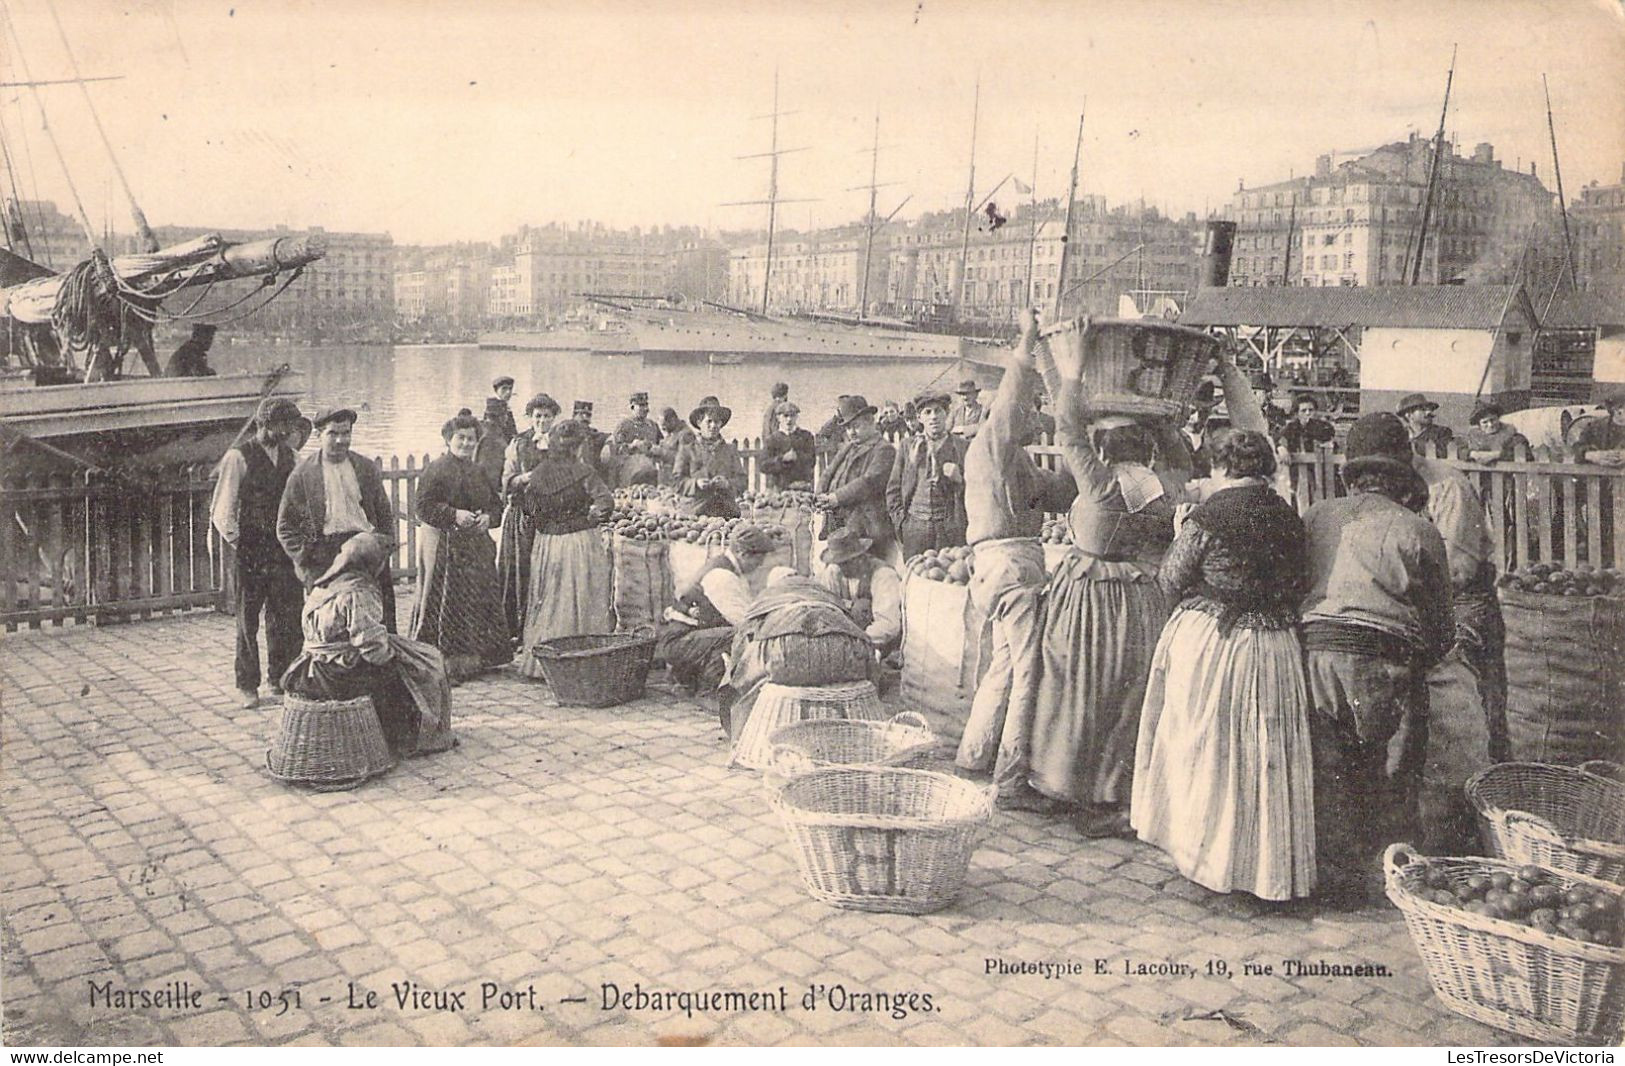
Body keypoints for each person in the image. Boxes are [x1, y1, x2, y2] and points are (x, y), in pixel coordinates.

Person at [1131, 430, 1316, 901]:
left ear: (1221, 469)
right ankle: (1263, 869)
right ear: (1266, 469)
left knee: (1208, 748)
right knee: (1263, 754)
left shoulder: (1208, 515)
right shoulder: (1288, 516)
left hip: (1216, 642)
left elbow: (1170, 579)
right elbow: (1300, 580)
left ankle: (1206, 857)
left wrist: (1178, 536)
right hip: (1273, 646)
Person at [1300, 413, 1455, 905]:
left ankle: (1330, 872)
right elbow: (1440, 624)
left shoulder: (1318, 514)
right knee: (1387, 769)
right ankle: (1385, 871)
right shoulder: (1419, 530)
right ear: (1403, 477)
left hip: (1314, 656)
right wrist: (1420, 663)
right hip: (1379, 662)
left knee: (1328, 766)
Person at [1026, 384, 1176, 836]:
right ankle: (1113, 791)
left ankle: (1068, 786)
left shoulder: (1103, 483)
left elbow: (1067, 433)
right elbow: (1179, 456)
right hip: (1138, 598)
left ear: (1105, 449)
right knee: (1122, 694)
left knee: (1073, 685)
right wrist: (1164, 418)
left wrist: (1069, 377)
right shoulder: (1161, 484)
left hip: (1090, 596)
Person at [954, 311, 1078, 810]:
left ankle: (972, 757)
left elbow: (1064, 490)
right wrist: (1028, 341)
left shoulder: (1014, 462)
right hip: (1013, 564)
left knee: (1003, 668)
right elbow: (1010, 396)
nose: (1032, 420)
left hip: (993, 567)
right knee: (1029, 673)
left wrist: (1081, 447)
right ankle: (1009, 781)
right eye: (1029, 416)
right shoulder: (993, 444)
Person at [280, 532, 454, 758]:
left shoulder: (322, 586)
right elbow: (372, 649)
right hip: (339, 672)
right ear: (372, 562)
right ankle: (406, 738)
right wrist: (400, 657)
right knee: (423, 667)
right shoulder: (359, 592)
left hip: (313, 666)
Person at [212, 397, 305, 707]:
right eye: (284, 426)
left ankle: (281, 678)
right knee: (247, 618)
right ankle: (247, 685)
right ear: (266, 425)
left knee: (286, 615)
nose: (289, 432)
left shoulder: (293, 458)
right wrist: (242, 543)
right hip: (251, 550)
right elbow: (223, 511)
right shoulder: (238, 458)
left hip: (282, 550)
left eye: (291, 426)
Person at [408, 410, 513, 682]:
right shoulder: (436, 469)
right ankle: (445, 662)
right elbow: (422, 507)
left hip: (476, 546)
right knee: (447, 601)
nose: (466, 444)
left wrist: (488, 518)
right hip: (446, 544)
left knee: (479, 597)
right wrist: (454, 514)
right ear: (448, 440)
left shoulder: (478, 470)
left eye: (471, 439)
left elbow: (495, 504)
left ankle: (480, 658)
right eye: (461, 438)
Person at [276, 406, 398, 631]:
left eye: (346, 433)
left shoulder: (365, 468)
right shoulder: (303, 474)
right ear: (319, 435)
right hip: (325, 553)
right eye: (333, 433)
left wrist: (382, 547)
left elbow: (384, 514)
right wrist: (306, 558)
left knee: (379, 620)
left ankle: (380, 665)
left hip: (364, 549)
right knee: (332, 624)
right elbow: (285, 527)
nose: (341, 440)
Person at [515, 419, 615, 681]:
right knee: (579, 596)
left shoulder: (538, 474)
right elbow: (606, 501)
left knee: (549, 598)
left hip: (547, 544)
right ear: (578, 447)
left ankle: (546, 659)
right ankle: (581, 659)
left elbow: (528, 510)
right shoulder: (584, 472)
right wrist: (592, 514)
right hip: (578, 542)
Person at [657, 523, 777, 697]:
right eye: (759, 559)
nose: (760, 565)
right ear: (743, 554)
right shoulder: (721, 575)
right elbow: (742, 620)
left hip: (690, 637)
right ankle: (709, 689)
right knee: (736, 635)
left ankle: (687, 678)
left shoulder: (729, 567)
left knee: (731, 635)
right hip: (678, 642)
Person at [498, 393, 557, 641]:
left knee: (550, 570)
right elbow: (506, 480)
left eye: (547, 416)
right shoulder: (519, 443)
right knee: (521, 569)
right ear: (530, 418)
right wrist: (524, 478)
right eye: (538, 416)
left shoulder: (560, 443)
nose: (542, 421)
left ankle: (547, 627)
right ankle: (519, 629)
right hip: (523, 514)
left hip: (552, 516)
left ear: (553, 418)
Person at [886, 390, 968, 558]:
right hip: (915, 528)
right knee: (915, 577)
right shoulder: (907, 446)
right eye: (927, 412)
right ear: (919, 417)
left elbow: (977, 494)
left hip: (950, 528)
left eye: (938, 410)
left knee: (949, 576)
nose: (933, 417)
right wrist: (902, 522)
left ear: (947, 413)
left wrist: (960, 480)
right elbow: (893, 490)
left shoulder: (962, 448)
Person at [816, 395, 897, 558]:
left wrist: (836, 498)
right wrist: (819, 495)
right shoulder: (848, 447)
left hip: (868, 528)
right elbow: (828, 472)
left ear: (870, 422)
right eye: (847, 428)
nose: (851, 432)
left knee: (870, 570)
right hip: (841, 525)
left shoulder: (884, 450)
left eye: (856, 426)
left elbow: (868, 482)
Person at [812, 528, 902, 655]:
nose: (842, 568)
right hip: (846, 641)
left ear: (860, 556)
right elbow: (824, 605)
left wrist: (856, 642)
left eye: (847, 562)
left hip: (878, 645)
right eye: (839, 563)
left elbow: (888, 625)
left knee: (861, 607)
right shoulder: (835, 571)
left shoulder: (884, 575)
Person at [674, 399, 746, 517]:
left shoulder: (730, 450)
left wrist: (727, 484)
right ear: (699, 422)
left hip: (727, 511)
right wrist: (695, 484)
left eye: (717, 422)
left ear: (721, 424)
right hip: (696, 512)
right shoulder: (687, 450)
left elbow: (742, 482)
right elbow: (676, 482)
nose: (713, 426)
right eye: (709, 421)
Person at [610, 391, 663, 487]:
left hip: (651, 470)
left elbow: (662, 445)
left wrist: (655, 449)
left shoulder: (652, 425)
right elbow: (615, 449)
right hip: (630, 472)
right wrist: (632, 446)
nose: (646, 409)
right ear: (632, 407)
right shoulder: (624, 425)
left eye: (646, 405)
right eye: (641, 406)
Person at [758, 401, 816, 490]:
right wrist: (782, 459)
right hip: (779, 489)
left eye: (792, 415)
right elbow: (763, 465)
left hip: (802, 487)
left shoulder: (806, 436)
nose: (789, 420)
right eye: (785, 416)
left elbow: (812, 460)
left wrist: (797, 456)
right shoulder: (772, 439)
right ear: (778, 418)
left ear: (797, 417)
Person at [1572, 388, 1625, 464]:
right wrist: (1592, 455)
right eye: (1619, 407)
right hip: (1598, 473)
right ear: (1614, 409)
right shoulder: (1596, 427)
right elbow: (1577, 449)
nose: (1619, 411)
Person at [1462, 402, 1528, 464]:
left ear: (1498, 419)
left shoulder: (1514, 437)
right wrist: (1471, 454)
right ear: (1479, 425)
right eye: (1485, 422)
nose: (1490, 425)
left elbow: (1528, 454)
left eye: (1493, 420)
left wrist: (1497, 455)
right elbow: (1458, 450)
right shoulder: (1473, 438)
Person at [1398, 393, 1454, 457]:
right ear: (1409, 415)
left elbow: (1444, 452)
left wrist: (1414, 446)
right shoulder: (1400, 433)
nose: (1429, 412)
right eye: (1423, 409)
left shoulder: (1441, 432)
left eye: (1430, 409)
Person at [571, 401, 610, 478]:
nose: (585, 417)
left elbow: (609, 436)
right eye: (581, 414)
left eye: (588, 415)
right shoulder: (566, 431)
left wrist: (607, 445)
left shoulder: (592, 433)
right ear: (574, 416)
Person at [654, 406, 689, 485]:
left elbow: (684, 459)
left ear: (672, 420)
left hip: (677, 482)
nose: (664, 430)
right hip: (665, 480)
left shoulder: (685, 434)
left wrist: (661, 452)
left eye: (664, 426)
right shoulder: (672, 433)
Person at [487, 376, 519, 441]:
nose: (508, 392)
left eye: (510, 389)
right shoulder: (493, 409)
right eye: (504, 389)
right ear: (496, 391)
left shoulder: (505, 408)